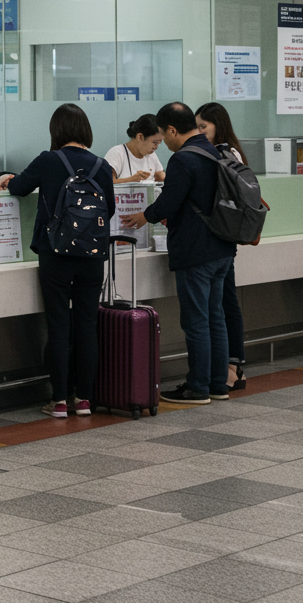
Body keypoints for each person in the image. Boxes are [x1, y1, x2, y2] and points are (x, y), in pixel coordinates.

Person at [0, 104, 114, 419]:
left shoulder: (49, 160)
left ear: (56, 131)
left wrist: (8, 180)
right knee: (87, 326)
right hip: (92, 256)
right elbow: (110, 209)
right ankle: (84, 400)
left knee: (59, 326)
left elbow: (19, 188)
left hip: (55, 255)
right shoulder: (102, 165)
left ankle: (59, 401)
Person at [122, 102, 232, 405]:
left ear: (172, 130)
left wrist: (145, 215)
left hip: (196, 251)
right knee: (215, 317)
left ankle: (198, 387)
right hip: (222, 247)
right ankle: (217, 384)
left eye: (163, 135)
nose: (164, 143)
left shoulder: (184, 159)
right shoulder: (214, 151)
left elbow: (169, 203)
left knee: (196, 320)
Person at [196, 101, 247, 392]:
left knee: (225, 302)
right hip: (225, 236)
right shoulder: (231, 151)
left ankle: (232, 366)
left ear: (218, 126)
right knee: (225, 301)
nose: (200, 132)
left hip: (221, 236)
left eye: (204, 127)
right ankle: (231, 366)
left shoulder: (225, 154)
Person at [105, 114, 166, 184]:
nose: (156, 147)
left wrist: (162, 176)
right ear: (140, 137)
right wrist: (131, 180)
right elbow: (106, 182)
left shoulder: (151, 155)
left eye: (159, 143)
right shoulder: (117, 153)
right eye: (155, 142)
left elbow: (159, 175)